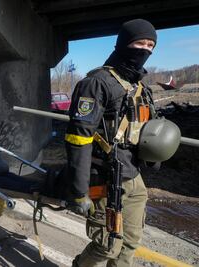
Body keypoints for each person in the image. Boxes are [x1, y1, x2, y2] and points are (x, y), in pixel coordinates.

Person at [64, 19, 158, 267]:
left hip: (134, 178)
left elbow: (147, 129)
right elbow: (78, 139)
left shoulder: (140, 88)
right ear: (124, 44)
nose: (145, 50)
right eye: (140, 43)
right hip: (105, 178)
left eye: (151, 45)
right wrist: (79, 189)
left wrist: (153, 156)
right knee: (107, 246)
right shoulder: (96, 83)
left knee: (129, 244)